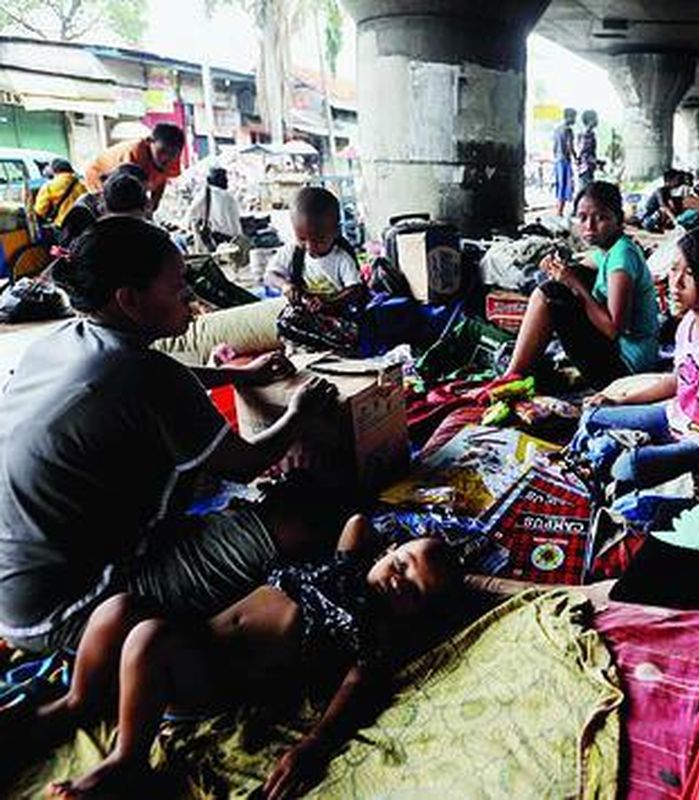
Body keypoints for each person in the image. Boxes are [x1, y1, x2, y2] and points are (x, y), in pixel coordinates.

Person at [0, 217, 338, 657]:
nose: (191, 298)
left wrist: (232, 374)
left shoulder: (62, 338)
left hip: (17, 594)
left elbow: (150, 379)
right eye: (178, 288)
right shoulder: (147, 375)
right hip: (73, 612)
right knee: (300, 522)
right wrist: (297, 412)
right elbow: (250, 461)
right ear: (129, 300)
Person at [36, 516, 461, 799]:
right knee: (119, 607)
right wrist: (391, 540)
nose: (399, 583)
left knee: (148, 636)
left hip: (217, 677)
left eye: (415, 593)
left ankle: (126, 760)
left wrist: (315, 743)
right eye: (402, 565)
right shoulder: (343, 563)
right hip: (198, 636)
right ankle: (77, 701)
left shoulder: (373, 629)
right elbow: (358, 523)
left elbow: (357, 684)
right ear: (388, 550)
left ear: (417, 613)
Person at [573, 224, 699, 496]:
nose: (676, 283)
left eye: (690, 273)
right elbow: (679, 381)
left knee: (629, 467)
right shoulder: (687, 322)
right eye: (674, 269)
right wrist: (619, 401)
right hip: (674, 418)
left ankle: (613, 460)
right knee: (593, 417)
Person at [505, 181, 661, 388]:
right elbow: (579, 266)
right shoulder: (610, 249)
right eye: (583, 217)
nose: (589, 226)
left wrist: (575, 284)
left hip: (625, 369)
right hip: (623, 355)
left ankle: (511, 375)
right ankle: (518, 370)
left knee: (549, 294)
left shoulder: (622, 258)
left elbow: (615, 329)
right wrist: (557, 267)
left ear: (619, 219)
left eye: (601, 218)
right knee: (568, 280)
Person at [265, 186, 364, 316]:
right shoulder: (293, 251)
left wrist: (329, 302)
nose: (310, 247)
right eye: (302, 239)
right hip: (303, 314)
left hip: (335, 315)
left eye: (320, 240)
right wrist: (286, 286)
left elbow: (355, 290)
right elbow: (269, 276)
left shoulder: (341, 257)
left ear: (335, 231)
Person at [84, 123, 185, 214]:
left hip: (131, 184)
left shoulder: (173, 159)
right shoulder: (134, 154)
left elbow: (161, 181)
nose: (166, 158)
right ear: (149, 141)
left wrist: (153, 207)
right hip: (98, 176)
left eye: (172, 154)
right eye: (162, 151)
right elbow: (130, 193)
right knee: (114, 211)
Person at [189, 166, 243, 246]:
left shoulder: (204, 194)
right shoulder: (229, 197)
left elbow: (191, 216)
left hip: (213, 240)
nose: (227, 181)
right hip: (232, 240)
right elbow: (236, 223)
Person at [34, 158, 86, 229]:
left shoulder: (49, 187)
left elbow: (40, 210)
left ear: (54, 171)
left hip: (64, 226)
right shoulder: (82, 184)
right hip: (85, 223)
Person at [553, 108, 577, 217]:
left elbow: (554, 147)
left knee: (560, 185)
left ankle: (559, 211)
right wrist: (576, 158)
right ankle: (560, 211)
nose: (575, 120)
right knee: (565, 186)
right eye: (574, 117)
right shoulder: (568, 130)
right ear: (569, 117)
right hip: (565, 160)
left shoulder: (557, 129)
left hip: (557, 160)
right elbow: (569, 146)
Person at [575, 109, 599, 195]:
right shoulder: (588, 133)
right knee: (586, 192)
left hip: (585, 166)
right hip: (586, 167)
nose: (597, 120)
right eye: (596, 118)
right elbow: (584, 152)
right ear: (590, 120)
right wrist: (595, 161)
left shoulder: (583, 132)